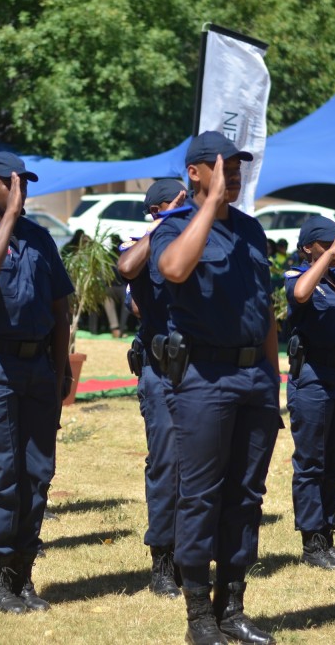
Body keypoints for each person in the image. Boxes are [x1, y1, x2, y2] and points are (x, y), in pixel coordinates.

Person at [149, 132, 280, 645]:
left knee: (246, 495)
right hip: (204, 378)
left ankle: (233, 608)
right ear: (196, 173)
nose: (233, 175)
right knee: (200, 497)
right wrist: (207, 207)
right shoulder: (173, 227)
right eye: (222, 166)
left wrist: (272, 382)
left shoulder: (251, 231)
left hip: (254, 379)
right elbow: (175, 269)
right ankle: (199, 616)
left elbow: (264, 309)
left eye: (238, 167)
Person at [0, 152, 72, 613]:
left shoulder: (42, 239)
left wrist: (61, 371)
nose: (20, 188)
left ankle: (23, 575)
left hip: (38, 368)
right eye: (11, 182)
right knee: (1, 473)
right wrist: (10, 220)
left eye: (24, 181)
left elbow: (60, 312)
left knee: (37, 472)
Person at [116, 178, 187, 598]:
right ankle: (162, 557)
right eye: (176, 204)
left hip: (202, 371)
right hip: (161, 370)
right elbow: (129, 278)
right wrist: (164, 225)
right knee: (166, 466)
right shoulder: (142, 242)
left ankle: (190, 556)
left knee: (200, 470)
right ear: (157, 209)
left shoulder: (201, 236)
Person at [284, 215, 335, 570]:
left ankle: (327, 533)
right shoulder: (297, 276)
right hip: (312, 377)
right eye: (327, 244)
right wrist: (328, 256)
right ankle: (311, 541)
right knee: (311, 461)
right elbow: (300, 295)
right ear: (309, 247)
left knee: (334, 462)